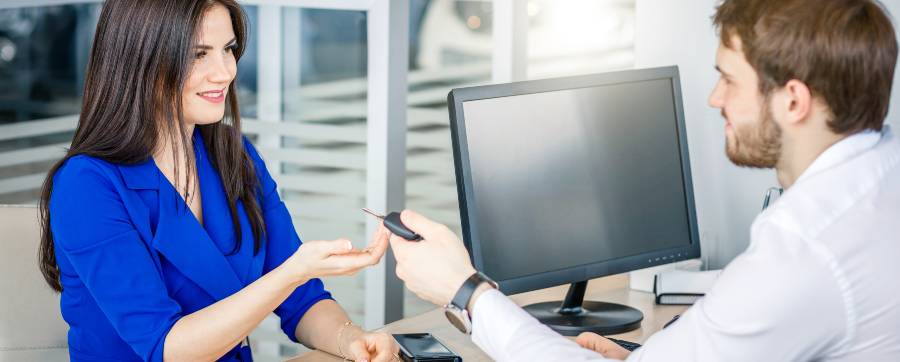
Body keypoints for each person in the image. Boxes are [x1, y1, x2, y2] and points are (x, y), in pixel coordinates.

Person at [384, 0, 900, 360]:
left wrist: (465, 289)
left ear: (793, 100)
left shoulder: (804, 249)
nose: (713, 99)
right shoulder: (879, 180)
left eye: (729, 78)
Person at [37, 1, 397, 361]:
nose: (225, 72)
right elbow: (167, 348)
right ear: (141, 61)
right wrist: (294, 272)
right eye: (199, 55)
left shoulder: (232, 154)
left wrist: (349, 339)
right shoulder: (86, 186)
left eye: (228, 49)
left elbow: (302, 300)